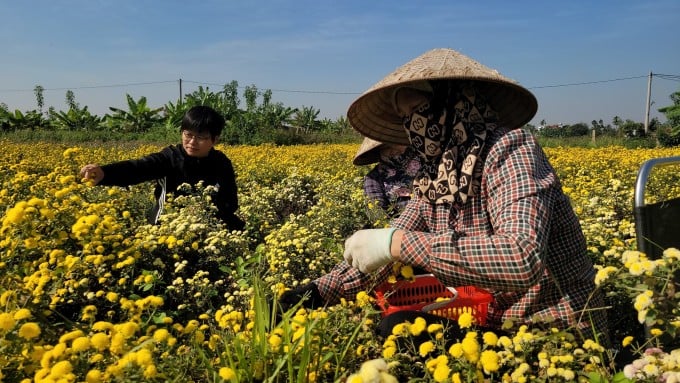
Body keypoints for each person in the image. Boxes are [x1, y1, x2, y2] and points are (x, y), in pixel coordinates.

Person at [279, 48, 610, 349]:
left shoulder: (510, 150)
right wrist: (314, 293)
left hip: (557, 335)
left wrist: (396, 244)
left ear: (453, 101)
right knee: (398, 326)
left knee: (400, 328)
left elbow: (521, 257)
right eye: (405, 118)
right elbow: (396, 236)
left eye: (417, 110)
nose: (413, 126)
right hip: (498, 323)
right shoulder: (436, 177)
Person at [79, 105, 245, 231]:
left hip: (209, 225)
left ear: (215, 140)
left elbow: (231, 200)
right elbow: (137, 168)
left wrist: (207, 211)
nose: (192, 142)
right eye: (188, 135)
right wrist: (105, 173)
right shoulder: (170, 157)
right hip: (168, 226)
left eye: (201, 137)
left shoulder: (222, 162)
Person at [354, 137, 423, 217]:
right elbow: (379, 214)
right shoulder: (374, 178)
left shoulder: (427, 162)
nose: (393, 150)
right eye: (386, 147)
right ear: (379, 152)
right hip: (402, 226)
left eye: (396, 143)